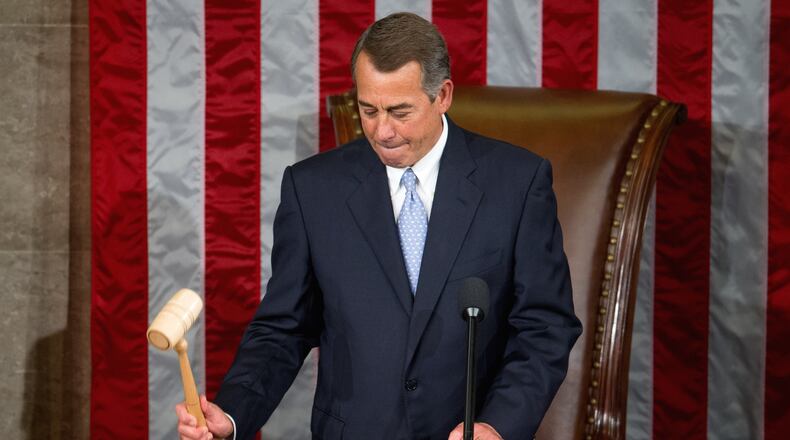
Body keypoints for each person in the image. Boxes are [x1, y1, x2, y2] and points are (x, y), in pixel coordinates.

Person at [177, 12, 581, 440]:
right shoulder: (313, 189)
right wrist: (234, 413)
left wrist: (497, 426)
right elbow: (283, 328)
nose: (382, 131)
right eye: (368, 109)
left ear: (442, 95)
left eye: (400, 111)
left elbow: (545, 327)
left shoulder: (517, 183)